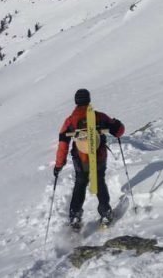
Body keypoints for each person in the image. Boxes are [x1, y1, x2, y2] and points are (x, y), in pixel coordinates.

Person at [53, 88, 125, 229]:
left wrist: (59, 165)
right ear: (89, 100)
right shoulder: (100, 116)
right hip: (99, 156)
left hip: (80, 158)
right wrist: (117, 123)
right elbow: (119, 131)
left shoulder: (70, 121)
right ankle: (105, 213)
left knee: (80, 183)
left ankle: (75, 217)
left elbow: (63, 143)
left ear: (76, 101)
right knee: (99, 181)